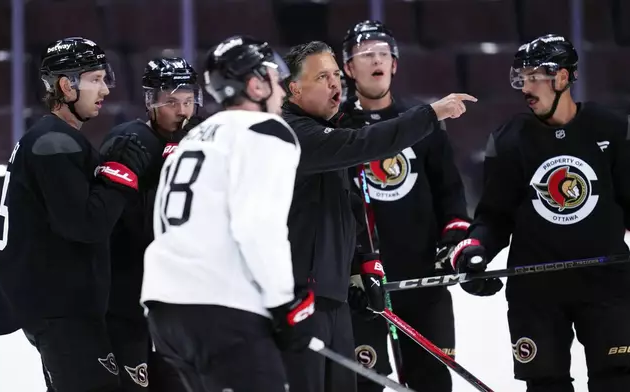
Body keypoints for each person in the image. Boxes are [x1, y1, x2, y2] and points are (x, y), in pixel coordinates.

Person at [280, 40, 476, 392]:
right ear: (294, 87)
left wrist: (363, 262)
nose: (334, 84)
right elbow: (361, 144)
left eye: (335, 75)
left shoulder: (326, 130)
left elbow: (348, 205)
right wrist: (430, 114)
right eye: (322, 77)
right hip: (302, 298)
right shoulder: (293, 133)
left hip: (333, 294)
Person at [450, 34, 630, 392]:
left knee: (618, 381)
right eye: (523, 78)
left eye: (535, 77)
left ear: (562, 78)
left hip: (607, 284)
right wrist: (475, 250)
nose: (526, 87)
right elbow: (494, 216)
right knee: (545, 385)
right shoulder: (508, 139)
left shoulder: (611, 128)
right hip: (536, 292)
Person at [140, 36, 315, 392]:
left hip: (166, 312)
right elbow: (257, 225)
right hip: (222, 311)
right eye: (274, 78)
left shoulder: (194, 137)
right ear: (255, 84)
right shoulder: (265, 131)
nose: (281, 89)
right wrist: (285, 303)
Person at [0, 37, 151, 392]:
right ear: (67, 85)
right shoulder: (54, 142)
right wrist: (121, 177)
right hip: (61, 308)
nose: (105, 87)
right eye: (95, 78)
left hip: (58, 305)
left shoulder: (52, 137)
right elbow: (85, 224)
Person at [338, 20, 470, 392]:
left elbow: (450, 193)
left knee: (430, 381)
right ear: (348, 68)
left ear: (394, 64)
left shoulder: (423, 122)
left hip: (421, 278)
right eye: (365, 55)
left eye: (383, 54)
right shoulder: (335, 129)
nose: (376, 60)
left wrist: (455, 238)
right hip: (359, 283)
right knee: (362, 383)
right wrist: (346, 268)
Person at [101, 57, 203, 391]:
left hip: (181, 298)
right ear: (150, 101)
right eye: (171, 101)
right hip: (129, 294)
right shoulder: (128, 141)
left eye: (187, 101)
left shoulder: (204, 142)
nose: (182, 110)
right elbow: (121, 221)